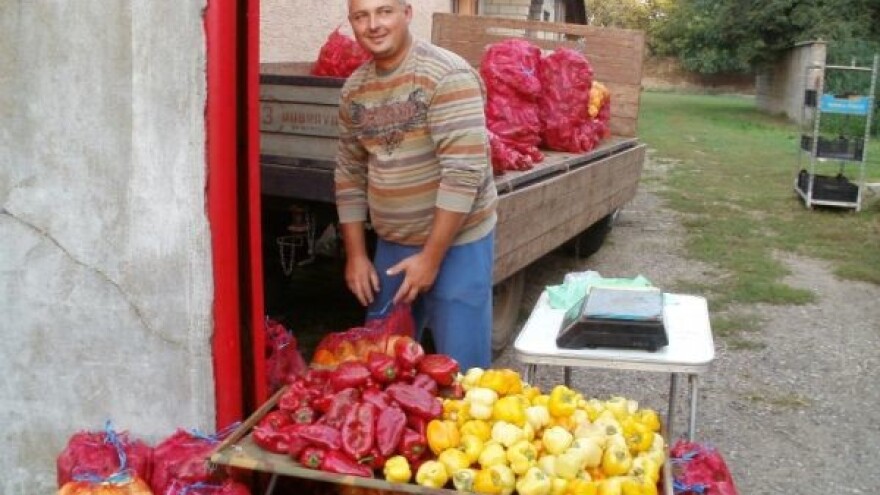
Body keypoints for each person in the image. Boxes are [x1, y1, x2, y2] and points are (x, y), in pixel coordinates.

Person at [335, 0, 498, 370]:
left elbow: (463, 174)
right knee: (382, 367)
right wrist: (356, 255)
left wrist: (431, 258)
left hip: (458, 243)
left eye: (384, 11)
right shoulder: (355, 90)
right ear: (352, 23)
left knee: (462, 372)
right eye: (361, 16)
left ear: (407, 14)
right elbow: (349, 173)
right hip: (393, 243)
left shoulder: (447, 75)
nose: (373, 24)